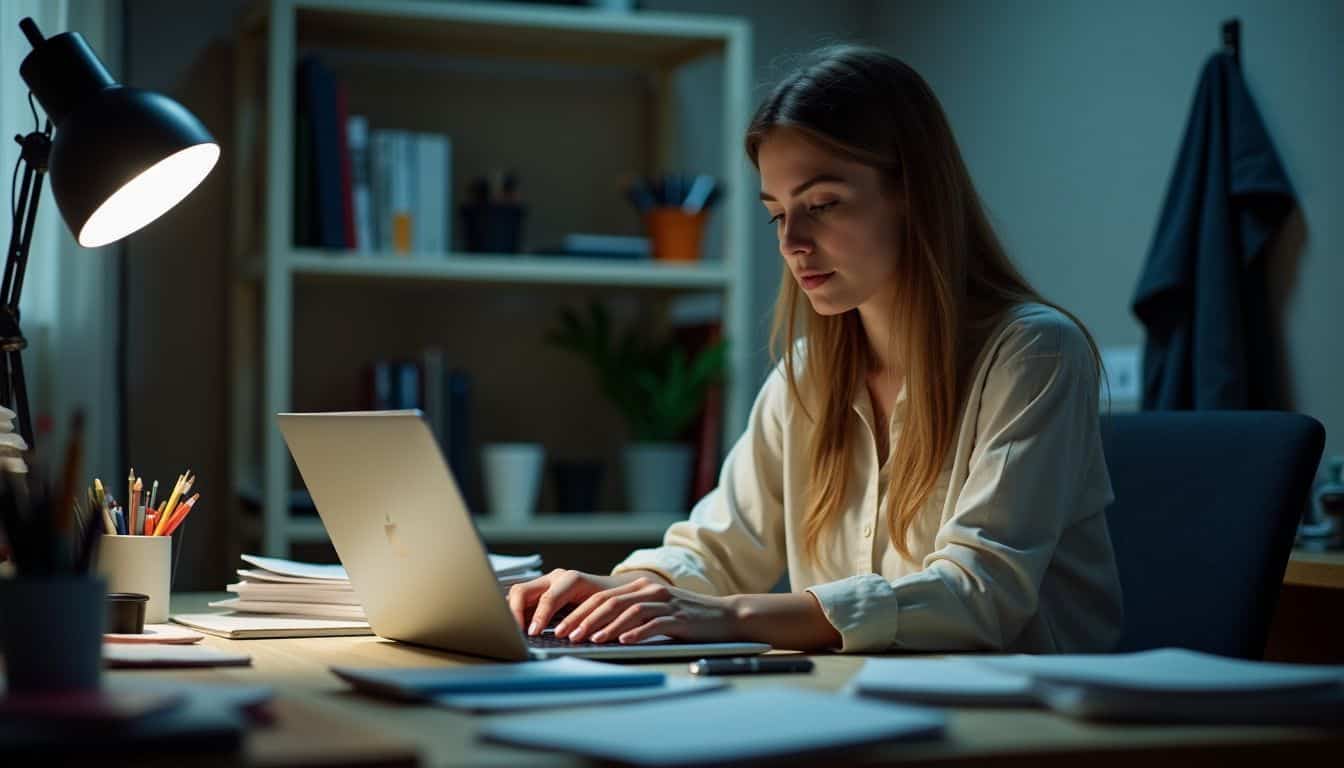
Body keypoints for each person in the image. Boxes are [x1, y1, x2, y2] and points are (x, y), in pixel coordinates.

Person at [508, 45, 1123, 653]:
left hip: (1024, 721)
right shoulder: (808, 371)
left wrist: (731, 615)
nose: (793, 241)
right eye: (777, 214)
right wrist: (623, 590)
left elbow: (980, 595)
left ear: (916, 193)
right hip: (856, 707)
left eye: (822, 205)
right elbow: (719, 546)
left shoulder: (1035, 354)